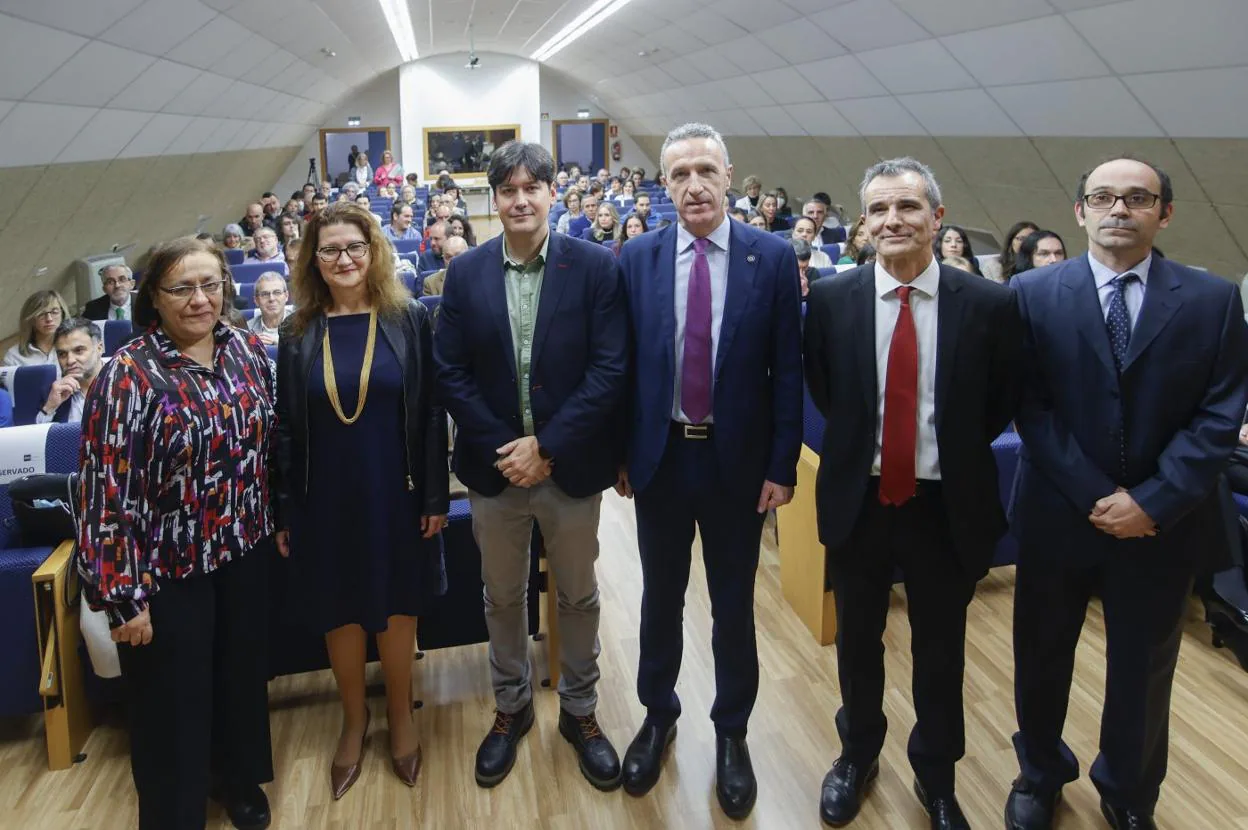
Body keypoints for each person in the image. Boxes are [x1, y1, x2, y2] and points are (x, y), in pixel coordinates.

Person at [1006, 157, 1248, 830]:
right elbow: (1032, 406)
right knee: (1042, 653)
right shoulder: (1030, 293)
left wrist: (1154, 499)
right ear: (1080, 211)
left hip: (1161, 524)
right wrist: (1096, 495)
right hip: (1059, 513)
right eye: (1103, 197)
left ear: (1164, 214)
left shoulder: (1211, 300)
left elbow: (1219, 413)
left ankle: (1129, 791)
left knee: (1144, 666)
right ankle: (1040, 771)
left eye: (1137, 198)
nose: (1119, 208)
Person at [804, 157, 1021, 830]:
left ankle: (937, 774)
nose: (893, 220)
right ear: (863, 223)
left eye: (908, 207)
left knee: (940, 649)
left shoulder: (987, 305)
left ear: (938, 218)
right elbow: (826, 391)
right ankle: (856, 754)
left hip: (943, 506)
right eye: (879, 210)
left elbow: (995, 406)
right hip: (859, 501)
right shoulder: (833, 301)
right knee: (858, 643)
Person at [616, 123, 802, 820]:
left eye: (705, 170)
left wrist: (782, 465)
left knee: (733, 607)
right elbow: (623, 365)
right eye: (679, 174)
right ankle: (657, 716)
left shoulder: (772, 257)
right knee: (659, 597)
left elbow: (788, 369)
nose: (693, 184)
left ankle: (732, 733)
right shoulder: (635, 256)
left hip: (737, 464)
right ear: (663, 186)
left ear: (729, 177)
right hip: (661, 457)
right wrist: (621, 455)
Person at [434, 141, 629, 792]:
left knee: (577, 595)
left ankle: (581, 712)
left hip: (569, 467)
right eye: (507, 189)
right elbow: (451, 373)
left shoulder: (596, 267)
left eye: (532, 187)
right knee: (501, 596)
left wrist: (546, 446)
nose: (520, 199)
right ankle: (511, 707)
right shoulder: (465, 274)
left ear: (552, 194)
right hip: (495, 472)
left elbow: (609, 370)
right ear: (493, 199)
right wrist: (509, 449)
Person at [76, 236, 277, 830]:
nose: (199, 299)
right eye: (181, 288)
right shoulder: (127, 376)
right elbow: (101, 492)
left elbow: (270, 449)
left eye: (210, 284)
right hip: (165, 570)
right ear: (154, 299)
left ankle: (237, 781)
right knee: (172, 704)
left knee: (239, 681)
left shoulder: (245, 350)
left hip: (244, 549)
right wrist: (121, 595)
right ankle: (174, 813)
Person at [276, 201, 448, 800]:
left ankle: (401, 714)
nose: (343, 259)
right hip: (322, 498)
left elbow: (430, 413)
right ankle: (355, 719)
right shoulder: (295, 332)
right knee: (339, 609)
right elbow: (283, 428)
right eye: (329, 250)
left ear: (373, 251)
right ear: (313, 260)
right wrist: (283, 506)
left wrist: (433, 494)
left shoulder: (408, 318)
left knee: (398, 602)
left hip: (396, 493)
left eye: (354, 247)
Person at [36, 317, 105, 424]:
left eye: (78, 350)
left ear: (99, 348)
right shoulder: (52, 393)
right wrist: (49, 408)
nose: (70, 361)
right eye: (62, 354)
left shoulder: (125, 384)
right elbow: (37, 438)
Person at [3, 290, 68, 367]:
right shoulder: (14, 356)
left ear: (62, 314)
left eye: (54, 312)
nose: (49, 319)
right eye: (41, 314)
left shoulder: (74, 347)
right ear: (30, 319)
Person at [247, 272, 291, 345]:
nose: (271, 299)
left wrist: (278, 343)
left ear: (286, 296)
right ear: (256, 300)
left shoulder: (300, 324)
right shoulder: (247, 330)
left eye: (277, 292)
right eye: (265, 294)